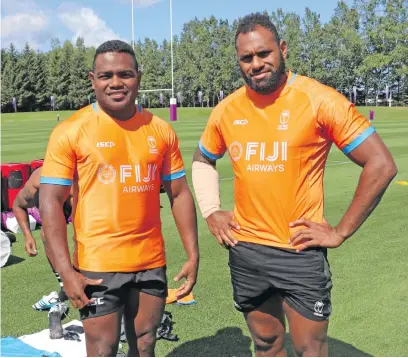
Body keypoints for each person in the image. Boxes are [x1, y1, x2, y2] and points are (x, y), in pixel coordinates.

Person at [192, 13, 397, 357]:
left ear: (282, 49)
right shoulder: (226, 109)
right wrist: (211, 210)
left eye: (264, 54)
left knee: (309, 350)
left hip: (299, 253)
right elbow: (202, 159)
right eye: (247, 58)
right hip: (246, 251)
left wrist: (340, 231)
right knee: (266, 344)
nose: (256, 64)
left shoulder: (319, 99)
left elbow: (381, 164)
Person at [39, 40, 199, 357]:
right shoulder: (71, 131)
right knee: (102, 350)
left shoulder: (161, 130)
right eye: (106, 75)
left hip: (151, 263)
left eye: (124, 74)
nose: (115, 83)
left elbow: (179, 193)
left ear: (138, 76)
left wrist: (193, 254)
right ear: (92, 80)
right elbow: (50, 204)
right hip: (96, 267)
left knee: (145, 344)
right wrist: (66, 273)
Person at [12, 167, 71, 308]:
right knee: (46, 234)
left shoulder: (75, 187)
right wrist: (28, 236)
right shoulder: (35, 183)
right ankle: (65, 287)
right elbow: (17, 205)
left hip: (93, 205)